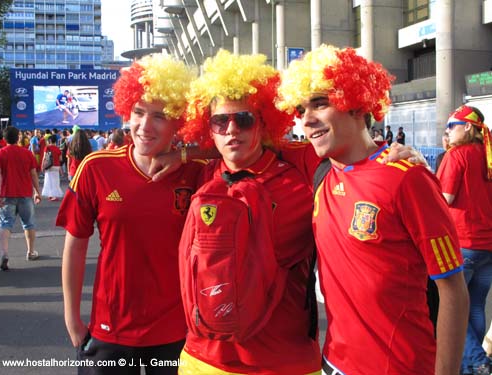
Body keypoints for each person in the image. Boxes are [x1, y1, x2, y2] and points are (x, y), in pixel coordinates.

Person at [277, 44, 469, 375]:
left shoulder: (408, 179)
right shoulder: (319, 169)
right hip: (332, 363)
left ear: (356, 105)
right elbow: (239, 146)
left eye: (320, 104)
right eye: (300, 109)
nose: (306, 119)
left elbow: (453, 289)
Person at [176, 49, 321, 375]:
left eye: (244, 119)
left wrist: (388, 151)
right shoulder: (200, 173)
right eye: (219, 120)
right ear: (207, 127)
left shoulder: (302, 167)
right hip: (203, 360)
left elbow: (352, 154)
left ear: (264, 122)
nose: (231, 130)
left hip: (285, 362)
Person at [56, 53, 202, 375]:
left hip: (176, 332)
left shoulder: (197, 171)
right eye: (138, 112)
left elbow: (253, 147)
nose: (145, 126)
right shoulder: (96, 168)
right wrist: (71, 318)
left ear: (180, 120)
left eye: (160, 116)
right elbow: (75, 245)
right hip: (110, 329)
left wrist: (186, 153)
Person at [436, 105, 492, 375]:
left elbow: (443, 200)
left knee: (452, 306)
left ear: (468, 127)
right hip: (488, 244)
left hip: (461, 242)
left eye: (452, 126)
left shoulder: (457, 156)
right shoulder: (489, 155)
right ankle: (470, 363)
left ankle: (477, 360)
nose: (447, 131)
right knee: (476, 305)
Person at [0, 126, 41, 271]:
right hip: (25, 193)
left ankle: (5, 253)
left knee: (6, 224)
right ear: (18, 137)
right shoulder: (27, 154)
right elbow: (33, 174)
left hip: (7, 194)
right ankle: (31, 251)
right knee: (29, 224)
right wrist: (37, 191)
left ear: (4, 138)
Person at [41, 134, 64, 201]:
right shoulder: (58, 149)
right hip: (56, 167)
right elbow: (60, 159)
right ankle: (54, 195)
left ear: (49, 141)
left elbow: (44, 158)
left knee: (48, 181)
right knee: (55, 181)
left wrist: (42, 165)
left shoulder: (47, 148)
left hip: (49, 166)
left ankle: (51, 195)